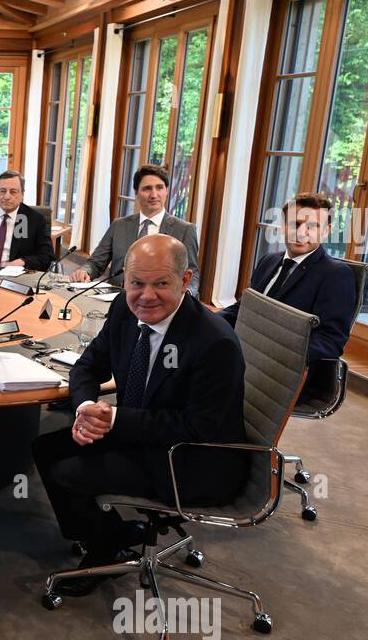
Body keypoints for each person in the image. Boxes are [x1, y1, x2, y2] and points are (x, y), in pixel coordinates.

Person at [33, 235, 247, 594]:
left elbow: (198, 426)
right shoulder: (123, 309)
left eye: (161, 283)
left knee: (69, 474)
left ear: (185, 280)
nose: (146, 296)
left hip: (190, 459)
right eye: (136, 283)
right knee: (45, 449)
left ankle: (107, 551)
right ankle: (110, 534)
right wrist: (86, 409)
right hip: (143, 433)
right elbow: (86, 368)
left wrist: (114, 419)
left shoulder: (214, 343)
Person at [220, 193, 357, 398]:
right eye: (296, 224)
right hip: (247, 354)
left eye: (313, 226)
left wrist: (276, 359)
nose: (302, 233)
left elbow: (330, 340)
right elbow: (244, 309)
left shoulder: (336, 275)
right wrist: (207, 323)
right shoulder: (269, 260)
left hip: (286, 372)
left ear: (326, 231)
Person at [74, 165, 199, 292]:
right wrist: (85, 271)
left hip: (161, 303)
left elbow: (192, 274)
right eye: (147, 189)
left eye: (159, 188)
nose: (154, 195)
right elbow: (96, 263)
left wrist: (187, 293)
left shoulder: (185, 230)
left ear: (166, 190)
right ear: (136, 193)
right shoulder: (119, 225)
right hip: (117, 299)